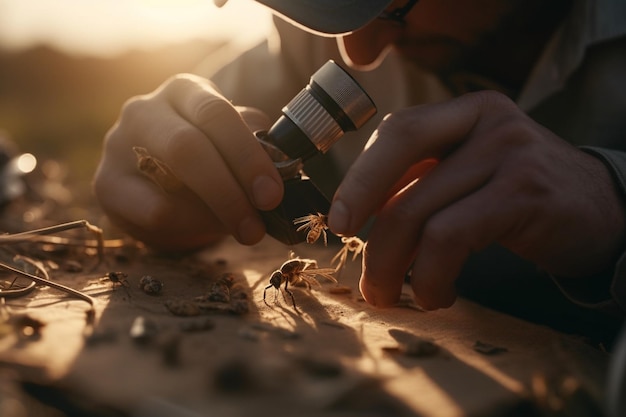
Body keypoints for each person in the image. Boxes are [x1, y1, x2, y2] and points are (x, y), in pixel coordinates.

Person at [94, 0, 626, 345]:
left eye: (394, 2)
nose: (357, 53)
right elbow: (182, 135)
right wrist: (157, 166)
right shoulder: (316, 37)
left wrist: (612, 206)